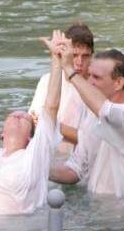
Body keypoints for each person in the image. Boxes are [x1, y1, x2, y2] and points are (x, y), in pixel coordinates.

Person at [0, 33, 63, 214]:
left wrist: (56, 60)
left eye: (25, 119)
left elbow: (51, 107)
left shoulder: (34, 157)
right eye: (12, 115)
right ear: (2, 132)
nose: (18, 115)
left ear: (30, 137)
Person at [49, 48, 124, 197]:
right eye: (89, 76)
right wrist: (35, 166)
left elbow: (106, 111)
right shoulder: (92, 117)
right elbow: (74, 170)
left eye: (96, 77)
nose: (89, 82)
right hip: (98, 210)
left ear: (118, 83)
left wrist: (69, 69)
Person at [29, 22, 94, 150]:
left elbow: (92, 141)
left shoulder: (96, 87)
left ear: (92, 56)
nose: (79, 62)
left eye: (85, 56)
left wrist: (53, 124)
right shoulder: (47, 80)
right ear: (65, 53)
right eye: (74, 55)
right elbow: (34, 122)